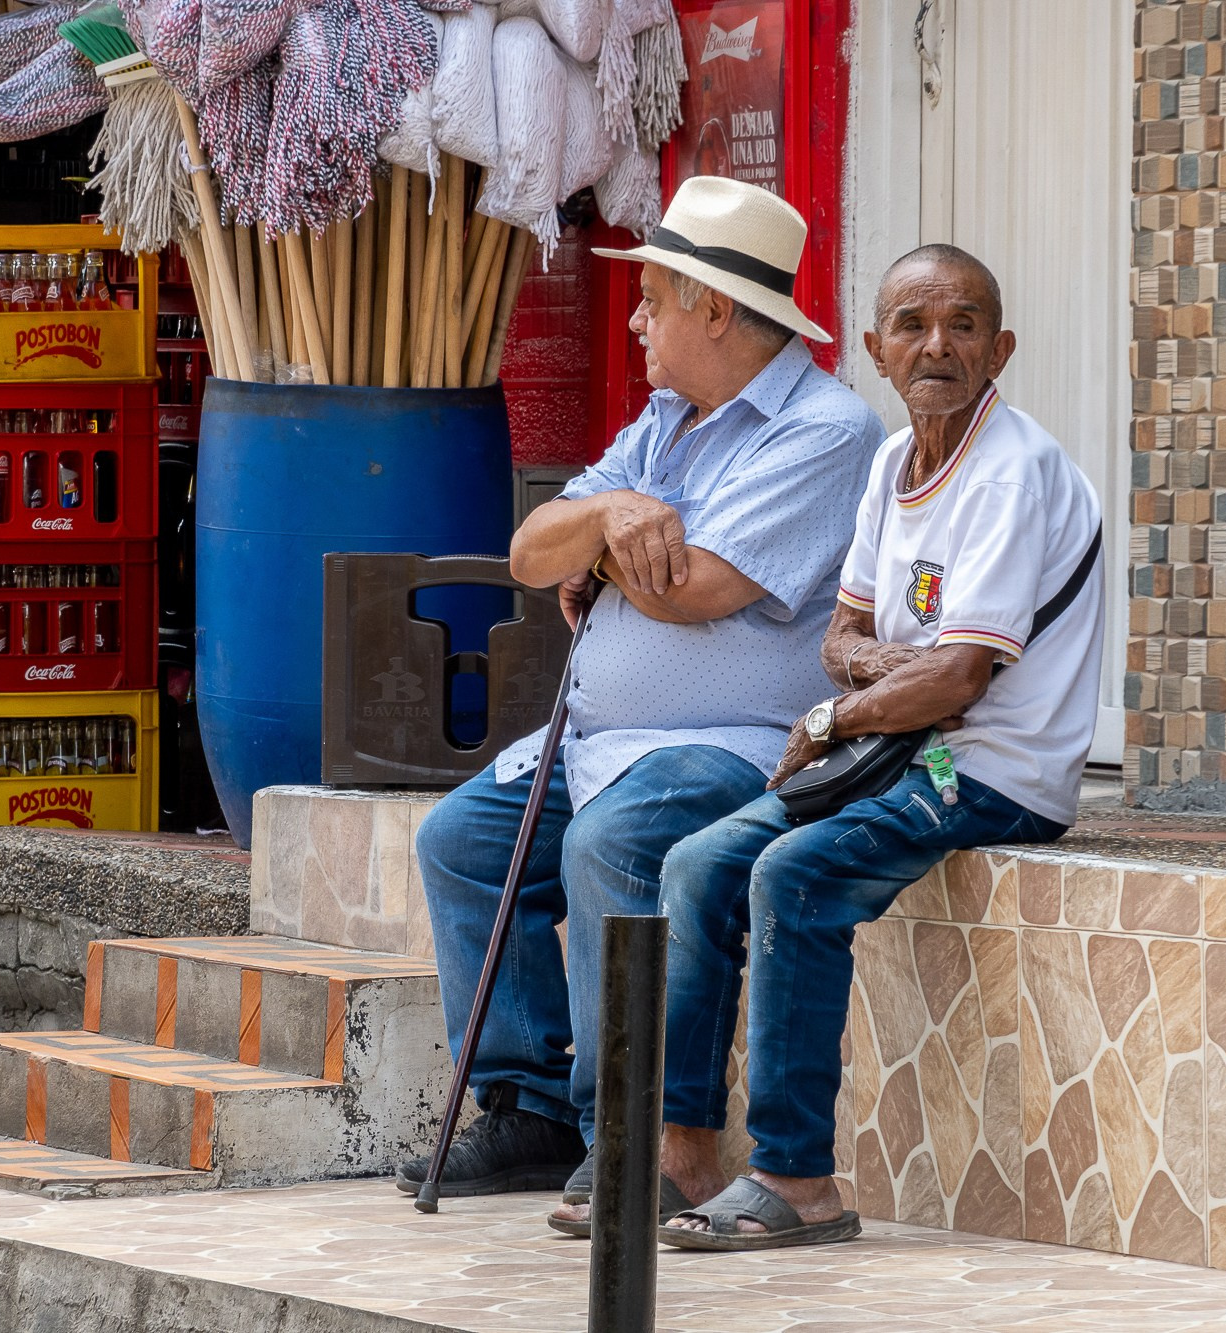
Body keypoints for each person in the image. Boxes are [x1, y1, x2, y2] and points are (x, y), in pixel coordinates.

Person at [396, 177, 886, 1213]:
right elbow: (532, 553)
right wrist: (613, 511)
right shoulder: (664, 424)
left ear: (712, 310)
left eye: (652, 297)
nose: (634, 319)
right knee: (459, 842)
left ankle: (620, 1133)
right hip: (598, 740)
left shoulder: (824, 429)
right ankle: (526, 1103)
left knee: (605, 844)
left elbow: (695, 586)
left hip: (734, 741)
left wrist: (600, 553)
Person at [646, 243, 1104, 1250]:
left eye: (963, 325)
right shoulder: (889, 464)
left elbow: (957, 681)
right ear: (874, 350)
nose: (936, 345)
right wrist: (889, 674)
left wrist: (831, 715)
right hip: (897, 750)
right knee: (696, 863)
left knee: (793, 874)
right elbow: (839, 637)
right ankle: (680, 1152)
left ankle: (793, 1179)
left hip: (987, 770)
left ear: (1001, 348)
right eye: (911, 326)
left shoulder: (1010, 472)